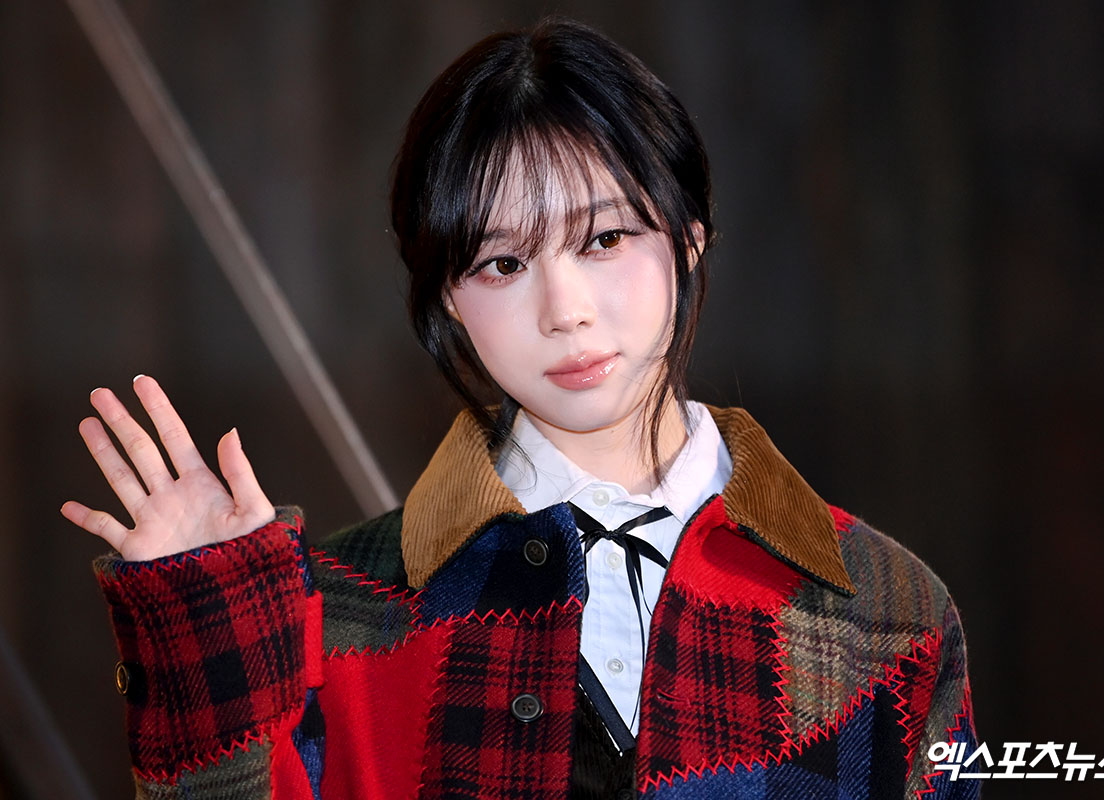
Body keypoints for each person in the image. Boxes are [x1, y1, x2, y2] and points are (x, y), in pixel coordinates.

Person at [64, 17, 980, 800]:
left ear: (689, 235)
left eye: (605, 238)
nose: (564, 311)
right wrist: (212, 635)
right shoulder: (336, 610)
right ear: (450, 298)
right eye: (503, 264)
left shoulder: (886, 610)